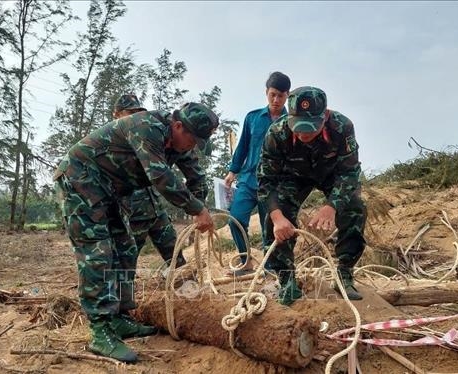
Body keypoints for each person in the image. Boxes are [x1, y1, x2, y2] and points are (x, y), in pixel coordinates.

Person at [54, 102, 219, 362]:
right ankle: (100, 330)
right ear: (177, 126)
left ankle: (119, 316)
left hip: (111, 190)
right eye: (192, 140)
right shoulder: (147, 127)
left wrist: (199, 204)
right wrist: (195, 208)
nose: (193, 147)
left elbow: (196, 176)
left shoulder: (181, 143)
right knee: (97, 252)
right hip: (81, 179)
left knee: (125, 248)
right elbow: (160, 176)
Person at [257, 86, 367, 305]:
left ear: (325, 116)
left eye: (310, 128)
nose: (304, 134)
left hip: (332, 174)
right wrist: (278, 218)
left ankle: (344, 273)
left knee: (354, 207)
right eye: (298, 127)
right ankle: (287, 279)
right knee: (275, 217)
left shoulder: (342, 127)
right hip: (294, 176)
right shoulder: (276, 133)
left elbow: (350, 173)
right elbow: (265, 181)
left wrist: (332, 205)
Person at [224, 71, 291, 275]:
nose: (276, 100)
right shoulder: (253, 118)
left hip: (273, 184)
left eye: (281, 95)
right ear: (266, 93)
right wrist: (232, 171)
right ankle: (245, 263)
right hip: (249, 180)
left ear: (287, 95)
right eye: (272, 94)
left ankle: (270, 268)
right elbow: (243, 146)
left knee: (269, 227)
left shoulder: (292, 122)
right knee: (235, 219)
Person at [112, 95, 188, 272]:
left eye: (137, 112)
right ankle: (123, 296)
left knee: (174, 250)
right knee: (127, 258)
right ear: (116, 115)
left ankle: (186, 288)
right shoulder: (114, 141)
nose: (134, 116)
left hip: (154, 209)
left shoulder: (148, 134)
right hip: (132, 213)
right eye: (129, 112)